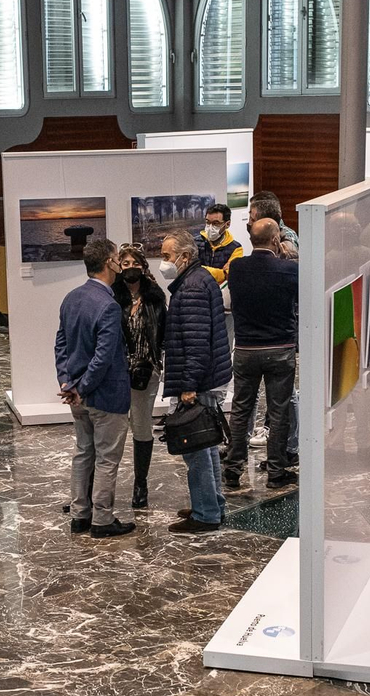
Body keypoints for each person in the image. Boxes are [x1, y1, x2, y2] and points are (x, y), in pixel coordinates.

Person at [55, 237, 135, 539]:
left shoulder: (71, 297)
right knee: (106, 458)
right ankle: (102, 519)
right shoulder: (109, 305)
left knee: (83, 453)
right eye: (117, 258)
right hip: (104, 395)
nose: (120, 263)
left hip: (76, 393)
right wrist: (83, 387)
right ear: (108, 262)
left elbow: (60, 344)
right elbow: (104, 357)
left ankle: (79, 515)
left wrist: (67, 383)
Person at [161, 230, 231, 533]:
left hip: (199, 382)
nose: (163, 262)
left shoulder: (190, 288)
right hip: (209, 376)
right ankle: (212, 503)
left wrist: (188, 385)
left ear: (185, 257)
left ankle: (206, 514)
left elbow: (196, 341)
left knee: (196, 448)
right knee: (208, 444)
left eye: (166, 256)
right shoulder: (201, 279)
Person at [223, 217, 299, 491]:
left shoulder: (237, 267)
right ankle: (276, 471)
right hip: (280, 348)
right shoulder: (289, 270)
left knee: (241, 409)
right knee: (278, 412)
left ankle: (232, 469)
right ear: (276, 239)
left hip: (245, 348)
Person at [114, 244, 167, 509]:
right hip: (117, 372)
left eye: (135, 263)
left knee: (142, 426)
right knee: (113, 428)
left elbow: (164, 333)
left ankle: (140, 483)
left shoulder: (155, 297)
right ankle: (102, 485)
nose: (130, 267)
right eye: (125, 263)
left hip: (147, 372)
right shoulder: (113, 297)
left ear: (143, 266)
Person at [197, 202, 243, 284]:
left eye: (216, 223)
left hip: (220, 292)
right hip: (198, 290)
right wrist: (221, 273)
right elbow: (190, 270)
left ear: (227, 224)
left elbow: (230, 276)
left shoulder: (236, 248)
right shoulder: (196, 243)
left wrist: (200, 269)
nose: (210, 227)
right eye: (208, 222)